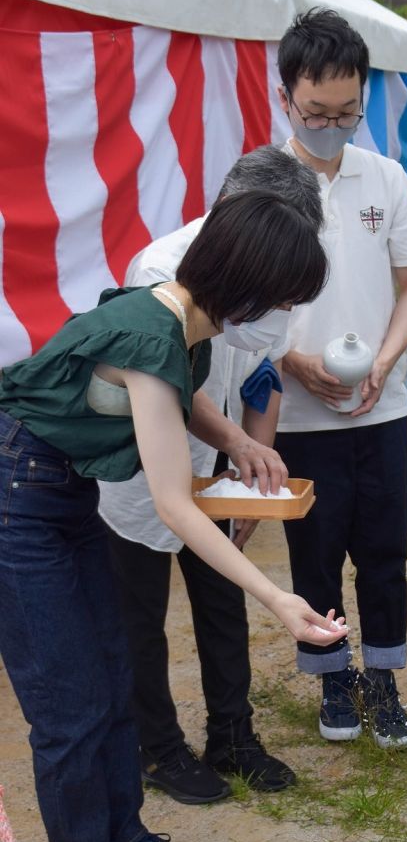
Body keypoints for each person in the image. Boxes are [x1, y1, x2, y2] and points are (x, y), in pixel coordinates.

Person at [0, 190, 347, 842]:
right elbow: (173, 504)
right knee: (68, 696)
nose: (285, 319)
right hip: (18, 499)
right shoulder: (153, 334)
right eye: (284, 299)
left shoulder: (178, 323)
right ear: (247, 285)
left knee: (112, 673)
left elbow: (173, 398)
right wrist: (276, 598)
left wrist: (238, 441)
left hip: (63, 493)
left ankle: (121, 836)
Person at [97, 146, 325, 804]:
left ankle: (233, 735)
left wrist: (256, 460)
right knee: (138, 611)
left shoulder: (278, 258)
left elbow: (263, 368)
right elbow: (165, 380)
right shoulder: (161, 268)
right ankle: (158, 747)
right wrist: (235, 444)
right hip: (142, 463)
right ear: (235, 215)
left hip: (217, 458)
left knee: (222, 599)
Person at [272, 9, 407, 748]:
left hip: (379, 405)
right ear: (285, 99)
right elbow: (235, 300)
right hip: (302, 413)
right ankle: (333, 673)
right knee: (316, 549)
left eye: (347, 113)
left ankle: (384, 677)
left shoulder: (387, 177)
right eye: (316, 113)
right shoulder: (260, 183)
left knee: (383, 549)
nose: (333, 126)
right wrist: (289, 360)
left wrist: (385, 362)